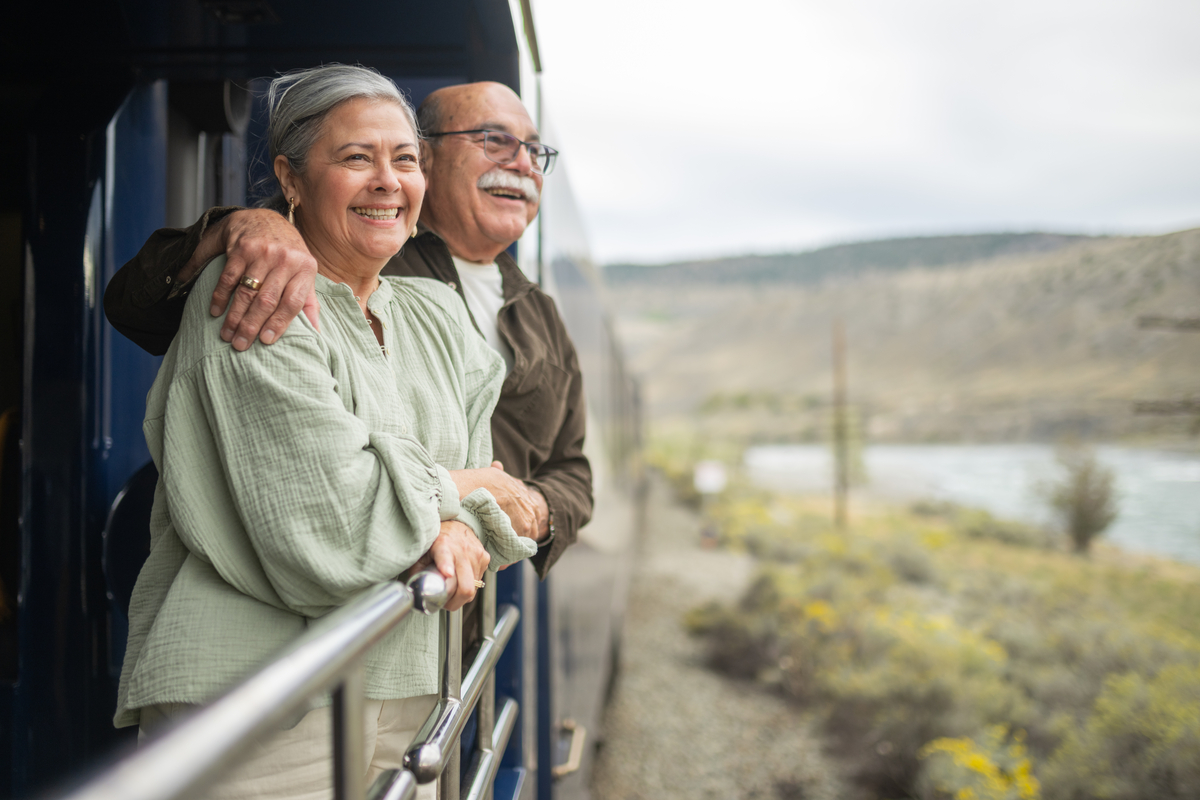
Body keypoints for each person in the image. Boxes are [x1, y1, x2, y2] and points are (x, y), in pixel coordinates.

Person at [114, 65, 537, 799]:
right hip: (259, 701)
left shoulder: (437, 315)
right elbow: (333, 523)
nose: (387, 181)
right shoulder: (253, 298)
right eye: (355, 158)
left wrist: (451, 510)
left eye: (404, 159)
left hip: (413, 694)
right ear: (291, 178)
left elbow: (492, 521)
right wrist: (464, 489)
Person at [104, 82, 592, 584]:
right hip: (343, 590)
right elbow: (132, 305)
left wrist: (529, 506)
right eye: (494, 140)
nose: (521, 163)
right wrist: (234, 227)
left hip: (454, 610)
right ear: (428, 157)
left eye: (533, 150)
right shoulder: (324, 254)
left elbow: (571, 465)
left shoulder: (539, 314)